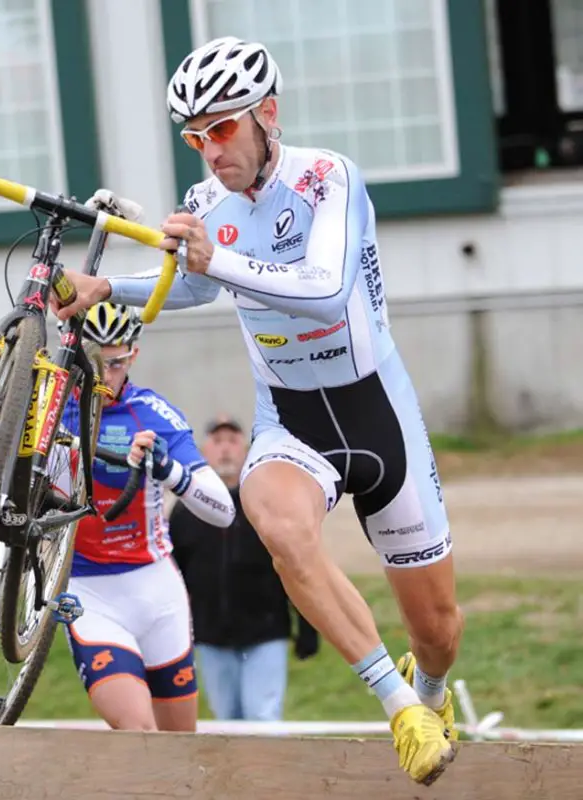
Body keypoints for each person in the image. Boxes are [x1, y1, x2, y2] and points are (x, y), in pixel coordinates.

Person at [52, 36, 462, 785]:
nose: (208, 150)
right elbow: (194, 288)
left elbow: (325, 286)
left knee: (437, 630)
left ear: (265, 115)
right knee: (272, 519)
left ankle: (429, 689)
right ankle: (398, 703)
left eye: (221, 129)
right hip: (291, 419)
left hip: (378, 414)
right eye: (193, 135)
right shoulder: (208, 205)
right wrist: (106, 289)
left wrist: (218, 261)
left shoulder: (326, 178)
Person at [54, 300, 235, 732]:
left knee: (179, 752)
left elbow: (224, 510)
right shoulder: (54, 408)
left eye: (115, 363)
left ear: (133, 355)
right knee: (138, 733)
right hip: (88, 591)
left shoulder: (153, 414)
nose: (104, 375)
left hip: (155, 591)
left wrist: (169, 471)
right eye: (95, 362)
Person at [168, 414, 318, 722]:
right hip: (210, 637)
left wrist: (307, 626)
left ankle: (266, 772)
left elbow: (294, 566)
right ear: (204, 451)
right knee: (227, 722)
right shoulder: (185, 512)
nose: (225, 449)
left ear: (246, 450)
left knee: (262, 717)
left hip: (265, 634)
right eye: (217, 441)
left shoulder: (267, 507)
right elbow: (173, 577)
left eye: (233, 441)